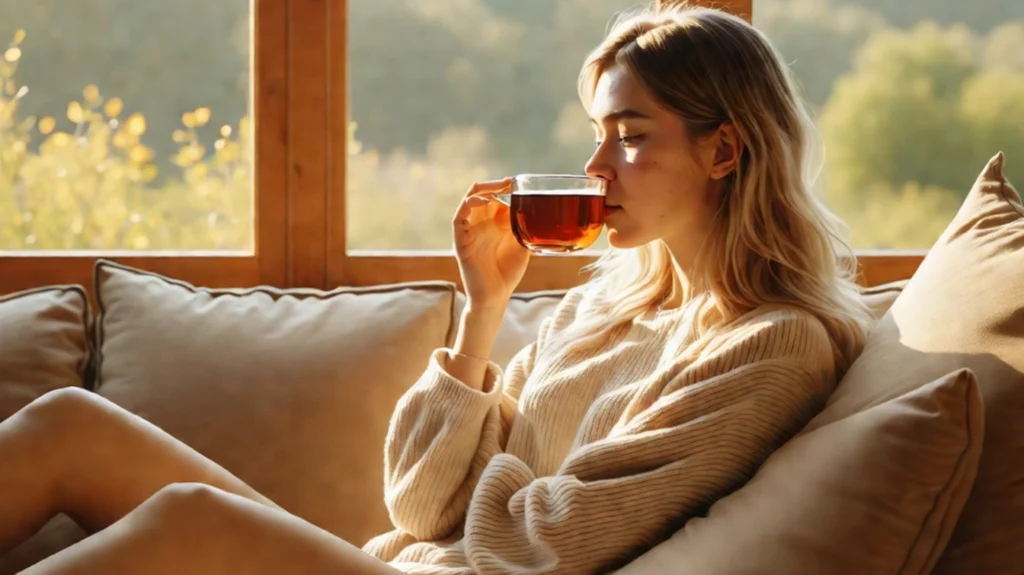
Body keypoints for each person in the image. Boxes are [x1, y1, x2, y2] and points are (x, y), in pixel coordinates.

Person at [0, 4, 874, 574]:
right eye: (597, 135)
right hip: (400, 566)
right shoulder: (601, 307)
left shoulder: (772, 341)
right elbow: (419, 506)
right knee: (70, 425)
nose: (596, 167)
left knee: (188, 518)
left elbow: (557, 539)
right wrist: (482, 311)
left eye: (632, 137)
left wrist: (474, 502)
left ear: (725, 151)